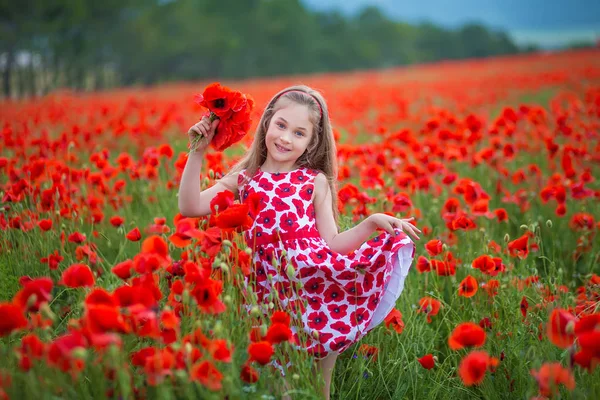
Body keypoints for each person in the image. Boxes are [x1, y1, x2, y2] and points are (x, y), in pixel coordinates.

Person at [178, 85, 419, 399]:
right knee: (282, 389)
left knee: (320, 390)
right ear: (267, 122)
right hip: (267, 295)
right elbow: (190, 206)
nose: (285, 138)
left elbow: (332, 242)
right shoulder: (245, 180)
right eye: (281, 125)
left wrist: (371, 222)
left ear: (311, 142)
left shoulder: (313, 181)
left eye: (299, 133)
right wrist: (198, 150)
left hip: (316, 289)